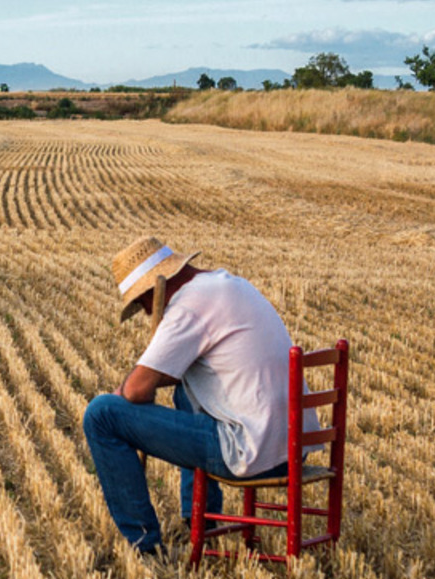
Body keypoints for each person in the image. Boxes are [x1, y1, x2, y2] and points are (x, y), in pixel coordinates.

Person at [81, 236, 320, 557]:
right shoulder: (228, 285)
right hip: (291, 450)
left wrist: (121, 394)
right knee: (186, 389)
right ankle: (199, 518)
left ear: (155, 290)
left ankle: (144, 546)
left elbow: (138, 389)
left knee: (101, 414)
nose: (145, 311)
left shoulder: (188, 307)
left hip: (252, 452)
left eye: (141, 303)